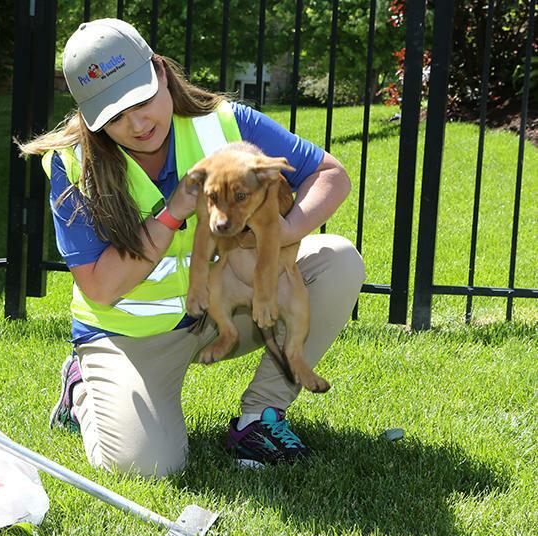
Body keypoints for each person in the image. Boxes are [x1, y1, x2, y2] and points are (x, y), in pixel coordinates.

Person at [18, 19, 365, 478]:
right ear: (88, 117)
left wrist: (276, 237)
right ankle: (83, 388)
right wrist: (173, 210)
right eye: (115, 117)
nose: (138, 124)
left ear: (161, 73)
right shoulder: (72, 164)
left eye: (142, 101)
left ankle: (258, 420)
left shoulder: (223, 124)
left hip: (225, 307)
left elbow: (331, 175)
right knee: (148, 467)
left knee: (337, 262)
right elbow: (101, 287)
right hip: (131, 336)